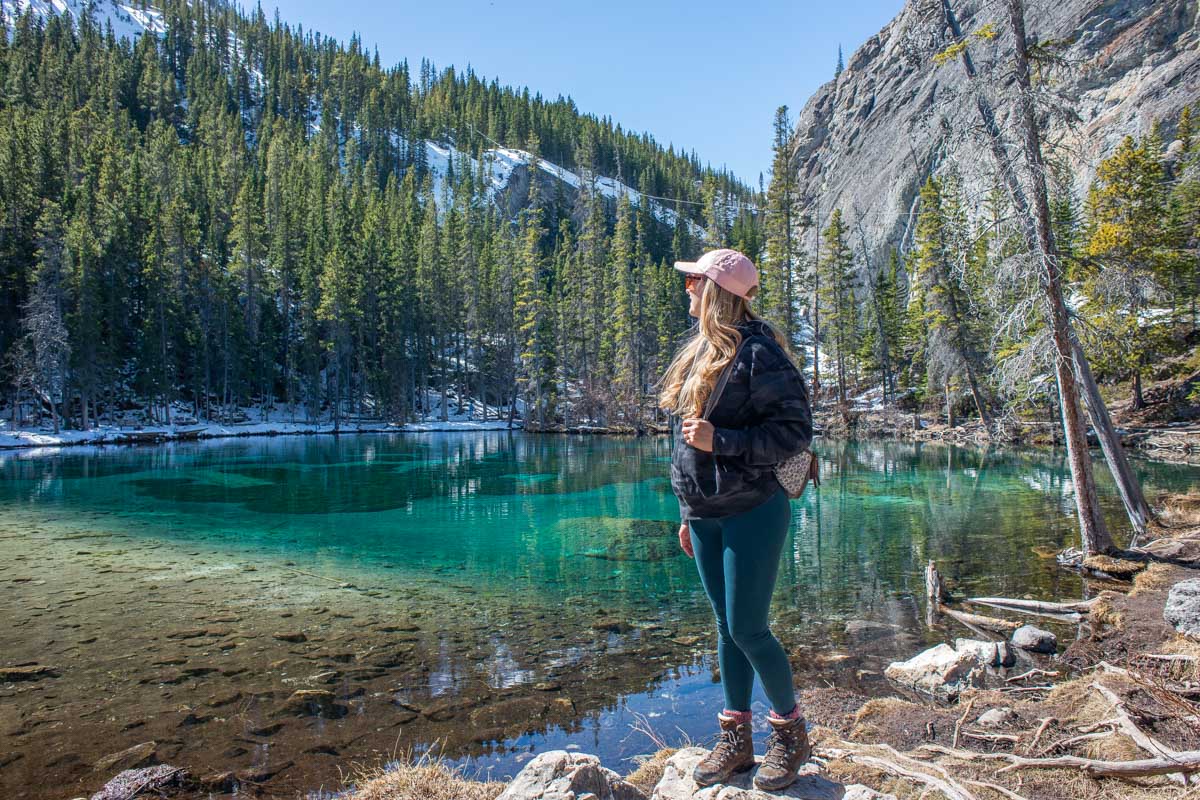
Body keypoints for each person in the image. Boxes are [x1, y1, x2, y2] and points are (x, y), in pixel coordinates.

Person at [657, 248, 814, 791]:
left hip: (753, 510)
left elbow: (795, 434)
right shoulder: (702, 352)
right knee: (726, 628)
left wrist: (721, 439)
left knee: (749, 628)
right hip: (705, 515)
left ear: (718, 291)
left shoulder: (758, 355)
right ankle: (736, 742)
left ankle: (791, 735)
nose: (688, 289)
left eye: (695, 280)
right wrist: (686, 511)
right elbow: (683, 450)